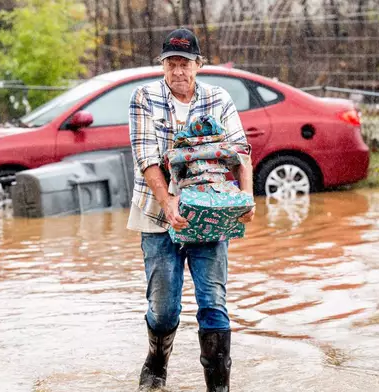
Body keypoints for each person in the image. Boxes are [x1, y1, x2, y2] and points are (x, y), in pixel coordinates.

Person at [128, 27, 255, 392]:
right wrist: (168, 203)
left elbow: (241, 153)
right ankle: (156, 362)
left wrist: (246, 198)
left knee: (213, 303)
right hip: (156, 214)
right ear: (163, 66)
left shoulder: (218, 98)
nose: (178, 72)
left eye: (185, 63)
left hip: (210, 217)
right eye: (171, 64)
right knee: (165, 309)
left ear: (199, 65)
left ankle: (219, 388)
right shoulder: (144, 97)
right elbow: (146, 157)